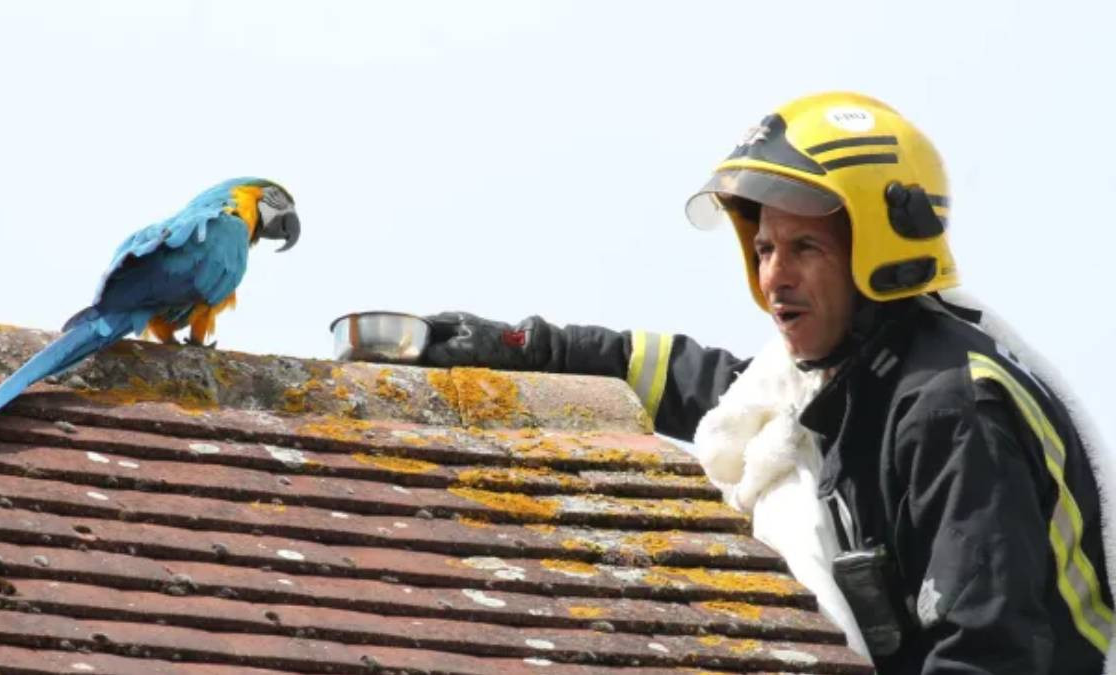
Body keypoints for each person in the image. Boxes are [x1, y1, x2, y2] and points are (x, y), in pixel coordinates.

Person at [405, 92, 1115, 673]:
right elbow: (688, 379)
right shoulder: (839, 381)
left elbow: (989, 653)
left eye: (805, 246)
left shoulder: (950, 409)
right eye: (765, 247)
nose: (774, 275)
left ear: (880, 253)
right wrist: (520, 347)